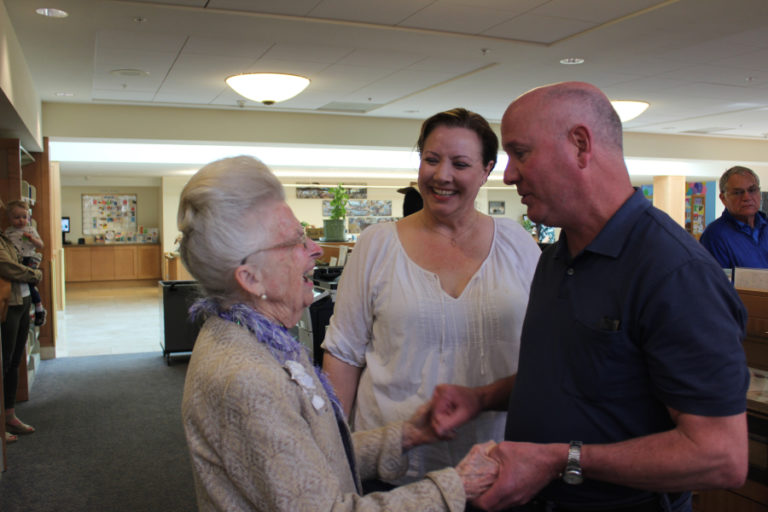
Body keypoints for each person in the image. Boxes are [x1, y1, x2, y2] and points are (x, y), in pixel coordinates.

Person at [430, 82, 749, 512]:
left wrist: (560, 460)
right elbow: (573, 372)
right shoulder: (558, 256)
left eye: (521, 153)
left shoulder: (675, 273)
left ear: (581, 145)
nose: (507, 174)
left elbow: (721, 458)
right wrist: (481, 398)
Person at [178, 156, 499, 512]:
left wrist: (406, 435)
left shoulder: (258, 340)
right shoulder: (247, 377)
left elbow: (313, 458)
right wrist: (456, 485)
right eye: (296, 242)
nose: (315, 249)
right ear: (251, 278)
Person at [322, 108, 541, 487]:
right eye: (431, 159)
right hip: (393, 465)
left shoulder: (517, 243)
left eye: (460, 163)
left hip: (493, 463)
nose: (442, 176)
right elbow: (343, 355)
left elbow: (546, 350)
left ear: (487, 170)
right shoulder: (377, 244)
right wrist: (332, 452)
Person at [0, 200, 43, 443]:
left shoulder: (10, 237)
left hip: (23, 298)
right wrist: (35, 274)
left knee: (14, 360)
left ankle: (9, 415)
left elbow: (34, 251)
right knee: (5, 361)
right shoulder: (5, 237)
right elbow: (8, 267)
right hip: (10, 303)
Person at [700, 165, 768, 269]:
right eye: (738, 192)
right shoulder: (715, 236)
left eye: (752, 190)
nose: (747, 197)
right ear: (723, 198)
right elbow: (717, 282)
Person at [4, 200, 46, 326]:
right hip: (16, 261)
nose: (21, 220)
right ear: (9, 218)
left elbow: (41, 245)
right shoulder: (8, 232)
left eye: (24, 217)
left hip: (29, 259)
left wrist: (32, 239)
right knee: (22, 285)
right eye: (17, 217)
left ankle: (39, 308)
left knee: (30, 284)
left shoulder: (30, 230)